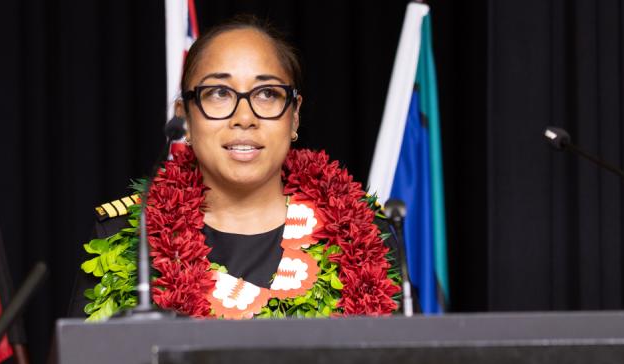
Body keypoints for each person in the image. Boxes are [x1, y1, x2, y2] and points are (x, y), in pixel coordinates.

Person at [69, 16, 401, 321]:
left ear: (294, 115)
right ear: (184, 116)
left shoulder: (366, 235)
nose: (245, 118)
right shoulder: (127, 236)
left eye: (267, 93)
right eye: (219, 93)